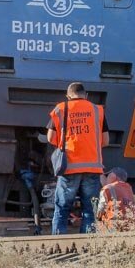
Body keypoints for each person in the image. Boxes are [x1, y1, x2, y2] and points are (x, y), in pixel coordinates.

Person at [46, 82, 106, 234]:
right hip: (93, 168)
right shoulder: (97, 110)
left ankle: (58, 246)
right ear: (86, 95)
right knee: (89, 209)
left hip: (69, 168)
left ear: (68, 96)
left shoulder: (61, 108)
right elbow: (105, 141)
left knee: (62, 208)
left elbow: (50, 137)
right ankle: (87, 246)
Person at [98, 168, 135, 232]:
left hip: (113, 224)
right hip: (129, 224)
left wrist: (98, 220)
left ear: (113, 176)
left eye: (108, 176)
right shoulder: (129, 188)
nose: (106, 178)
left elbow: (101, 209)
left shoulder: (107, 188)